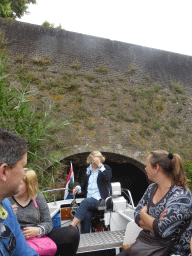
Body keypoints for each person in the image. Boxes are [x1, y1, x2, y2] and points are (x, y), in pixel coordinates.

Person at [117, 150, 192, 256]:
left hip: (171, 251)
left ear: (156, 167)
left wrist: (144, 214)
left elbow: (163, 230)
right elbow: (136, 215)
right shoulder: (151, 188)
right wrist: (155, 223)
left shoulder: (181, 195)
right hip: (148, 244)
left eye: (147, 165)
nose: (145, 168)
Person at [8, 169, 80, 256]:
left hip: (38, 237)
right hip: (16, 239)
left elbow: (48, 223)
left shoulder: (38, 198)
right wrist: (8, 216)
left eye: (19, 183)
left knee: (72, 232)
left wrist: (38, 230)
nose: (15, 186)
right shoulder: (6, 200)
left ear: (29, 185)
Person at [0, 128, 39, 255]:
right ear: (4, 172)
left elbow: (25, 253)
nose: (24, 173)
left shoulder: (5, 206)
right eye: (22, 167)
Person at [71, 151, 112, 233]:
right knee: (86, 214)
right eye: (94, 158)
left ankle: (71, 227)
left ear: (101, 159)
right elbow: (84, 183)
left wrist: (100, 166)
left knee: (85, 202)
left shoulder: (105, 168)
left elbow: (108, 177)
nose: (95, 160)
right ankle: (84, 236)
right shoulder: (89, 170)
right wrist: (77, 188)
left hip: (101, 200)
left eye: (98, 158)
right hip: (90, 200)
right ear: (90, 159)